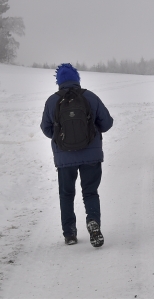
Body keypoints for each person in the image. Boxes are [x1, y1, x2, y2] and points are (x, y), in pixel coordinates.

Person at [40, 63, 113, 247]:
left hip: (64, 158)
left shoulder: (52, 101)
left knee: (66, 194)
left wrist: (61, 137)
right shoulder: (89, 97)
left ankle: (70, 233)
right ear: (77, 79)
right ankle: (93, 221)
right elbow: (107, 123)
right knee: (90, 192)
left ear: (59, 82)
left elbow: (46, 129)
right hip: (91, 156)